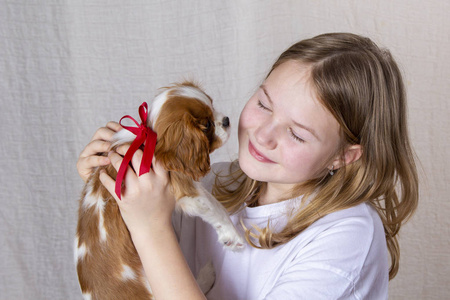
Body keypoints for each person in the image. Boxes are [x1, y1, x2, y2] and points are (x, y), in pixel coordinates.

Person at [77, 33, 418, 299]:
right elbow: (132, 272)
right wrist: (110, 186)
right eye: (263, 104)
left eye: (297, 134)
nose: (263, 134)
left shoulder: (346, 237)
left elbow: (152, 232)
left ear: (344, 156)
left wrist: (151, 228)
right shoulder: (217, 182)